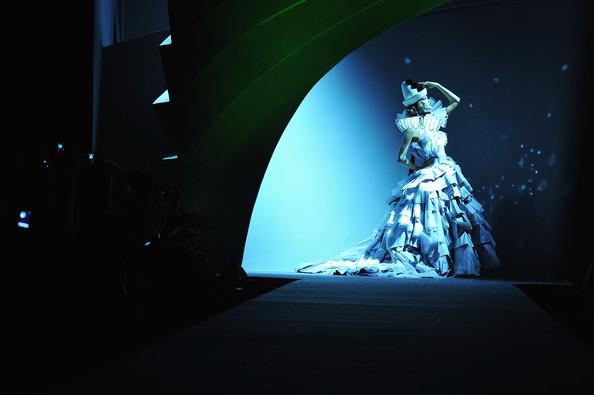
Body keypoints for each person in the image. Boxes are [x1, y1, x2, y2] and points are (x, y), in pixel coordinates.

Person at [296, 79, 501, 278]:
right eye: (424, 100)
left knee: (455, 217)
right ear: (416, 105)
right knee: (428, 220)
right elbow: (401, 158)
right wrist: (420, 167)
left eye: (428, 98)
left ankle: (461, 263)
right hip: (428, 175)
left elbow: (456, 101)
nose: (429, 102)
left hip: (447, 172)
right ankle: (436, 260)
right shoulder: (411, 129)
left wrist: (437, 85)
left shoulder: (435, 121)